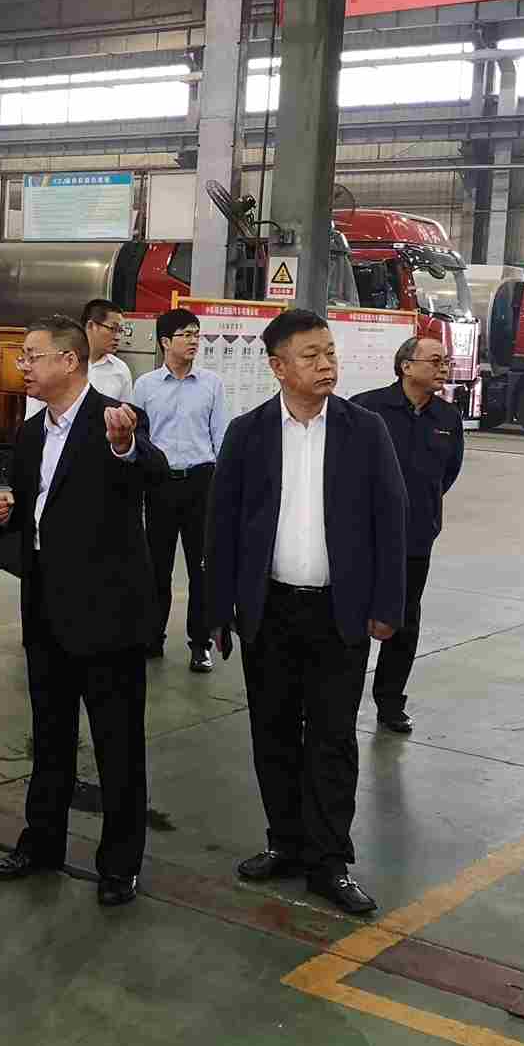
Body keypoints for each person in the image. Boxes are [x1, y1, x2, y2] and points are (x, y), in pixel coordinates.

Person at [205, 308, 406, 916]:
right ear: (278, 367)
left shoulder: (364, 430)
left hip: (339, 614)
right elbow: (223, 526)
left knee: (332, 739)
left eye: (330, 353)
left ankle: (329, 861)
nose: (326, 365)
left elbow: (391, 522)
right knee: (272, 733)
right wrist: (218, 610)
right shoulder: (247, 433)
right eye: (311, 355)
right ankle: (285, 844)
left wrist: (387, 605)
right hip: (268, 611)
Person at [0, 314, 166, 909]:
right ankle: (41, 844)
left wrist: (125, 446)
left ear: (69, 360)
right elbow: (36, 511)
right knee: (49, 737)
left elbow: (154, 475)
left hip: (108, 617)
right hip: (46, 611)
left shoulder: (117, 419)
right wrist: (8, 518)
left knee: (118, 745)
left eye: (32, 356)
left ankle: (120, 864)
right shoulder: (31, 432)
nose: (23, 366)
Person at [351, 335, 464, 736]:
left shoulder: (448, 418)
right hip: (365, 537)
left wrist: (422, 509)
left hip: (416, 538)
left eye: (445, 361)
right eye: (434, 360)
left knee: (404, 621)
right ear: (406, 366)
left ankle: (390, 703)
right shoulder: (367, 408)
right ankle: (341, 699)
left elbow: (448, 473)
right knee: (354, 618)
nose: (443, 367)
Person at [129, 307, 229, 672]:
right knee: (156, 567)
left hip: (201, 483)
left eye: (196, 334)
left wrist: (222, 489)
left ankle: (200, 644)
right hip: (159, 485)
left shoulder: (211, 384)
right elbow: (139, 437)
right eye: (186, 334)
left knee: (201, 568)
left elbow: (221, 437)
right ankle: (151, 637)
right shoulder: (145, 386)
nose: (193, 341)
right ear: (165, 342)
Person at [23, 298, 133, 421]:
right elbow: (34, 416)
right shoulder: (60, 362)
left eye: (121, 331)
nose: (118, 337)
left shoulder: (120, 370)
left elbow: (125, 414)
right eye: (113, 329)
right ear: (91, 326)